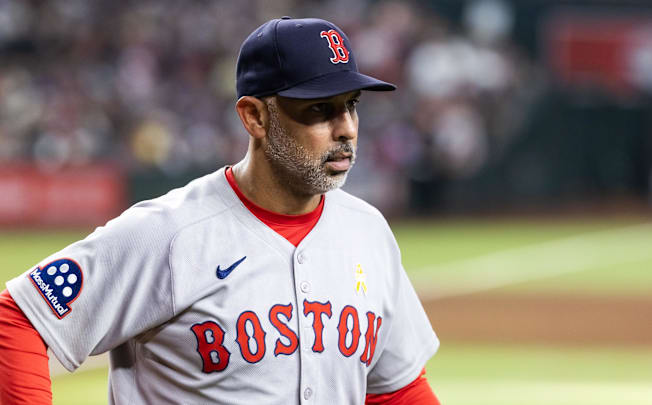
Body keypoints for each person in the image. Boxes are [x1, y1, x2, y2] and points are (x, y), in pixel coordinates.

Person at [0, 17, 440, 404]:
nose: (345, 128)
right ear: (255, 118)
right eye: (319, 109)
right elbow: (19, 316)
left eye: (351, 106)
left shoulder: (368, 231)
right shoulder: (168, 232)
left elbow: (396, 389)